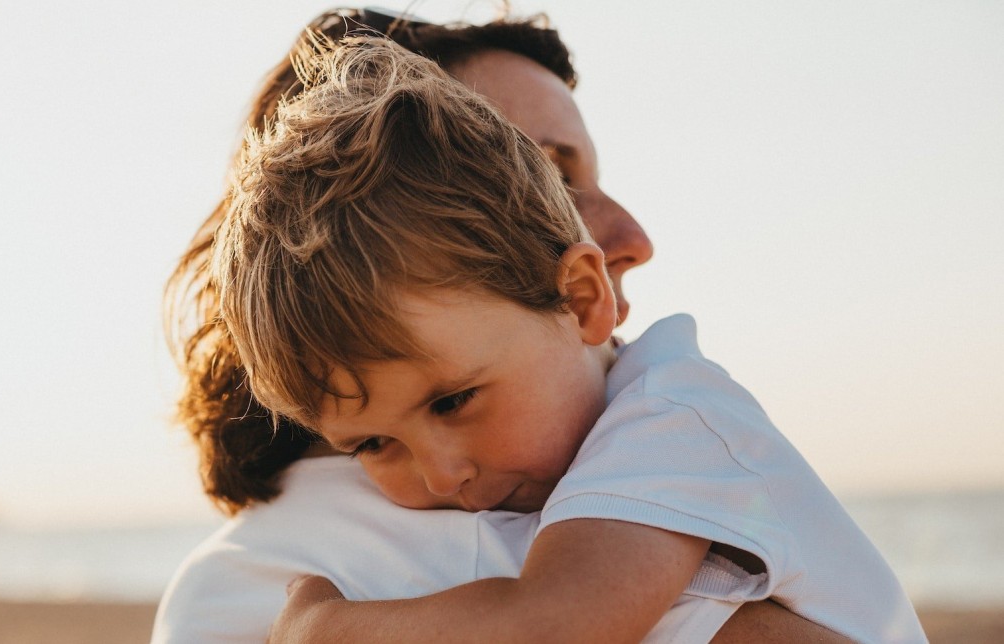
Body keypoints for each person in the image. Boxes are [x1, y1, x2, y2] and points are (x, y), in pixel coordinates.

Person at [155, 9, 855, 643]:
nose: (635, 237)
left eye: (452, 401)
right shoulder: (315, 559)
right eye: (545, 171)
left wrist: (329, 629)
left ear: (578, 298)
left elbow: (556, 620)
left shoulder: (664, 418)